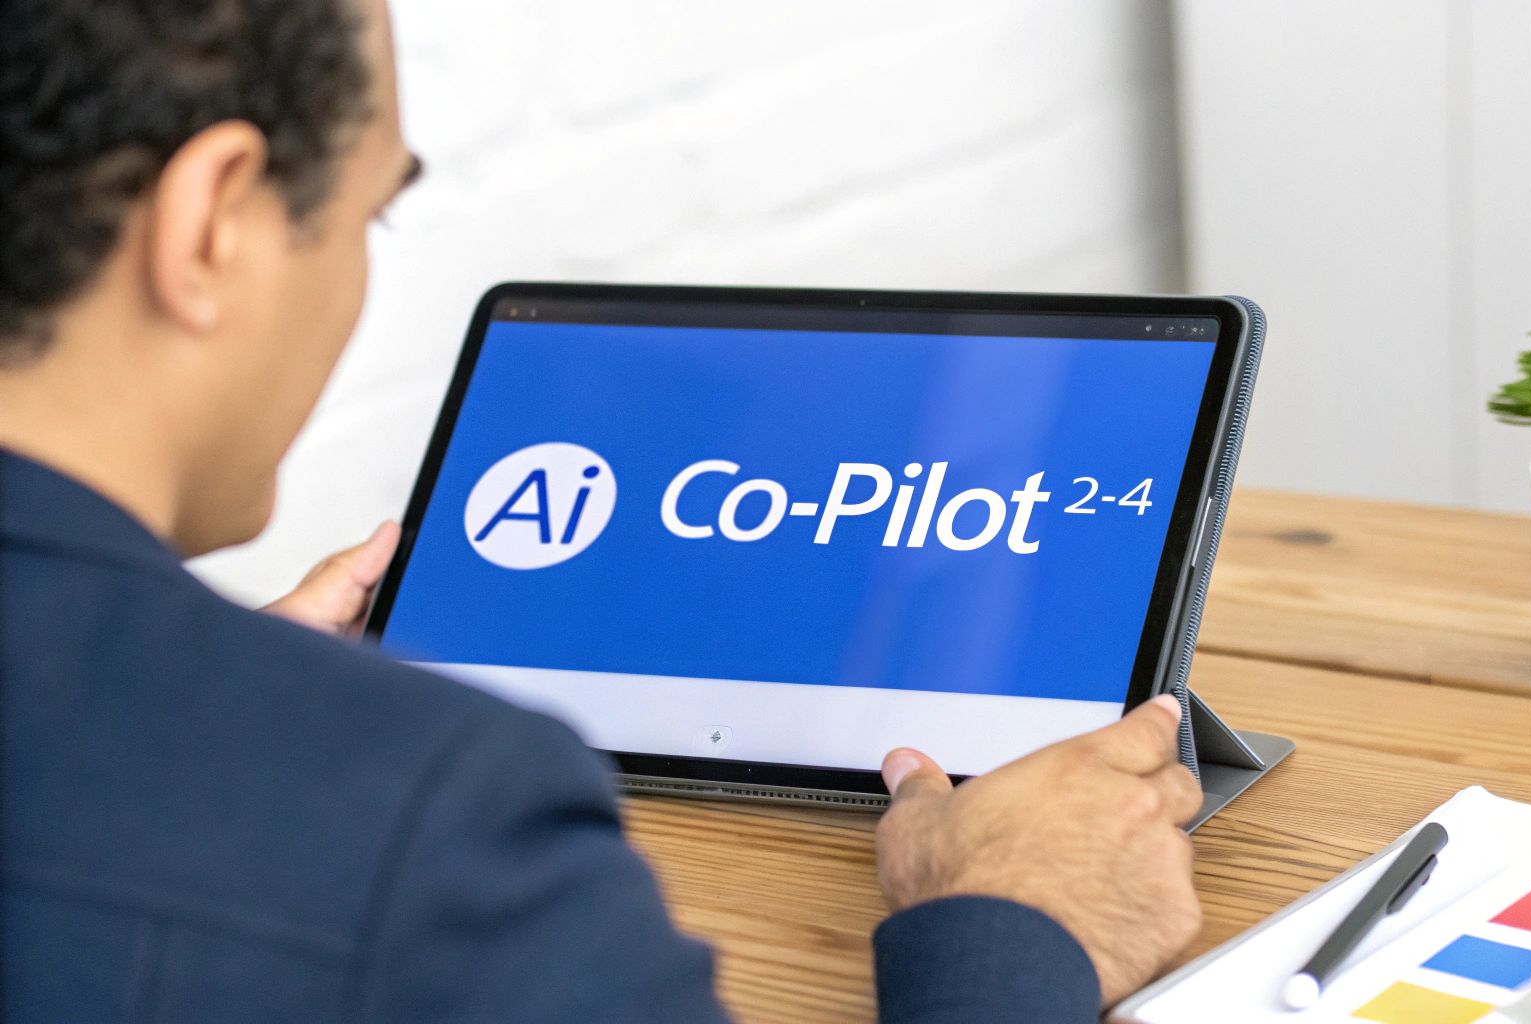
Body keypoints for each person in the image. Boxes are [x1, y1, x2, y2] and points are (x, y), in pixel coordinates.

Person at [0, 1, 1208, 1020]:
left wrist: (215, 707)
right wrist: (1013, 928)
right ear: (212, 219)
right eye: (374, 211)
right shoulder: (439, 827)